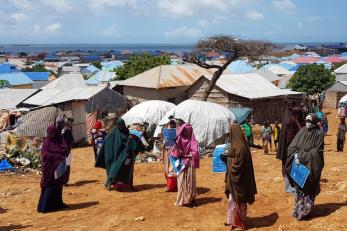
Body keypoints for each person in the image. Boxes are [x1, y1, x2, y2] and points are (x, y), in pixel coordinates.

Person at [285, 113, 324, 221]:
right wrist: (295, 155)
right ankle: (299, 210)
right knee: (299, 190)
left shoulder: (319, 134)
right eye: (307, 121)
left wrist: (300, 156)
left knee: (308, 189)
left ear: (315, 122)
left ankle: (306, 212)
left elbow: (317, 152)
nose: (308, 123)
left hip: (311, 166)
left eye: (310, 122)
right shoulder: (302, 131)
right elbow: (292, 146)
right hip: (299, 167)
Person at [95, 118, 144, 191]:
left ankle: (127, 185)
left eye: (122, 125)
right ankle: (111, 183)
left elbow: (130, 142)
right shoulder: (112, 135)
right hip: (114, 157)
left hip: (124, 156)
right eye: (119, 125)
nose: (120, 127)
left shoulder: (126, 133)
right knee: (114, 170)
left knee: (123, 170)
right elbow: (107, 144)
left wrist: (131, 140)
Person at [225, 123, 257, 230]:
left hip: (239, 180)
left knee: (238, 201)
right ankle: (233, 221)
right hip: (240, 180)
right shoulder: (241, 145)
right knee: (233, 200)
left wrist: (228, 160)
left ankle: (239, 222)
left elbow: (237, 165)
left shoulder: (240, 147)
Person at [37, 125, 69, 213]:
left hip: (59, 168)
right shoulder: (46, 142)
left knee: (58, 187)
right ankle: (45, 207)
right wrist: (57, 156)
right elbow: (45, 154)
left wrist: (62, 155)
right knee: (49, 185)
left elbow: (66, 149)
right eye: (49, 133)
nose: (50, 135)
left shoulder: (60, 140)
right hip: (49, 169)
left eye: (52, 133)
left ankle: (57, 204)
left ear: (56, 133)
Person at [277, 106, 305, 194]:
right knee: (288, 167)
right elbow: (287, 139)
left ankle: (295, 186)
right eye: (295, 114)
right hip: (287, 150)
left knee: (296, 167)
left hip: (296, 150)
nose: (297, 116)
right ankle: (289, 188)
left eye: (299, 114)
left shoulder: (299, 122)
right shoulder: (288, 123)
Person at [171, 122, 199, 207]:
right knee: (190, 181)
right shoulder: (192, 140)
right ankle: (190, 199)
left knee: (182, 181)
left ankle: (182, 200)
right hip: (190, 163)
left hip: (181, 163)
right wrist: (189, 155)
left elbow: (174, 154)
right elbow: (195, 152)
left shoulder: (178, 139)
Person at [162, 119, 177, 192]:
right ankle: (170, 185)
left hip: (174, 152)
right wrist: (164, 142)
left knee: (172, 169)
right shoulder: (165, 131)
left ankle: (171, 187)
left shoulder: (178, 132)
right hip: (167, 152)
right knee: (166, 169)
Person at [62, 118, 74, 185]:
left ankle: (65, 181)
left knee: (66, 166)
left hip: (66, 151)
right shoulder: (58, 131)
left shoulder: (67, 131)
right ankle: (64, 181)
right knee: (66, 166)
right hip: (64, 151)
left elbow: (71, 141)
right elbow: (72, 141)